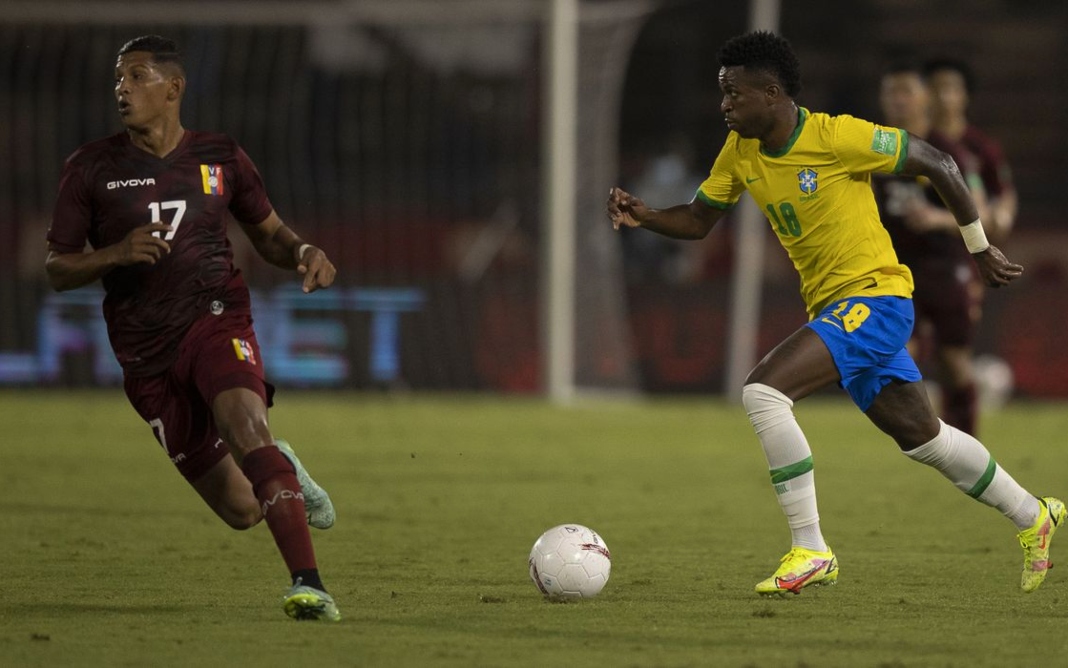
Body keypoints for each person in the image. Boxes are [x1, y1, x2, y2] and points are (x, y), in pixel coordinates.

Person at [606, 31, 1063, 596]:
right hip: (838, 306)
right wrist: (646, 216)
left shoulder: (836, 135)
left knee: (764, 392)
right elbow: (700, 220)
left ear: (772, 93)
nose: (723, 106)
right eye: (722, 95)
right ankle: (1033, 516)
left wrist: (979, 246)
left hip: (876, 298)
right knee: (925, 438)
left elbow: (938, 161)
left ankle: (811, 548)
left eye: (734, 95)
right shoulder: (741, 151)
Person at [45, 35, 341, 621]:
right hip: (146, 355)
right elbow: (57, 267)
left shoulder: (222, 157)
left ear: (173, 88)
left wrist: (306, 248)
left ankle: (309, 585)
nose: (121, 89)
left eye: (136, 77)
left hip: (216, 317)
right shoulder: (90, 168)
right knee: (240, 508)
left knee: (243, 424)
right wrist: (115, 253)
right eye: (118, 78)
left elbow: (272, 236)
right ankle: (279, 461)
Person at [873, 62, 989, 435]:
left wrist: (937, 219)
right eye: (892, 93)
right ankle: (923, 434)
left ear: (924, 98)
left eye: (906, 91)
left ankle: (968, 439)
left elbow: (980, 209)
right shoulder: (876, 149)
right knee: (896, 353)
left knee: (953, 360)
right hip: (897, 268)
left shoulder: (946, 150)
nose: (899, 101)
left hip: (944, 265)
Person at [924, 57, 1017, 246]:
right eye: (936, 88)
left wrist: (1003, 216)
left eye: (951, 89)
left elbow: (1004, 190)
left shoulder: (981, 146)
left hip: (966, 243)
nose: (943, 96)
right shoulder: (919, 142)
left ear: (964, 95)